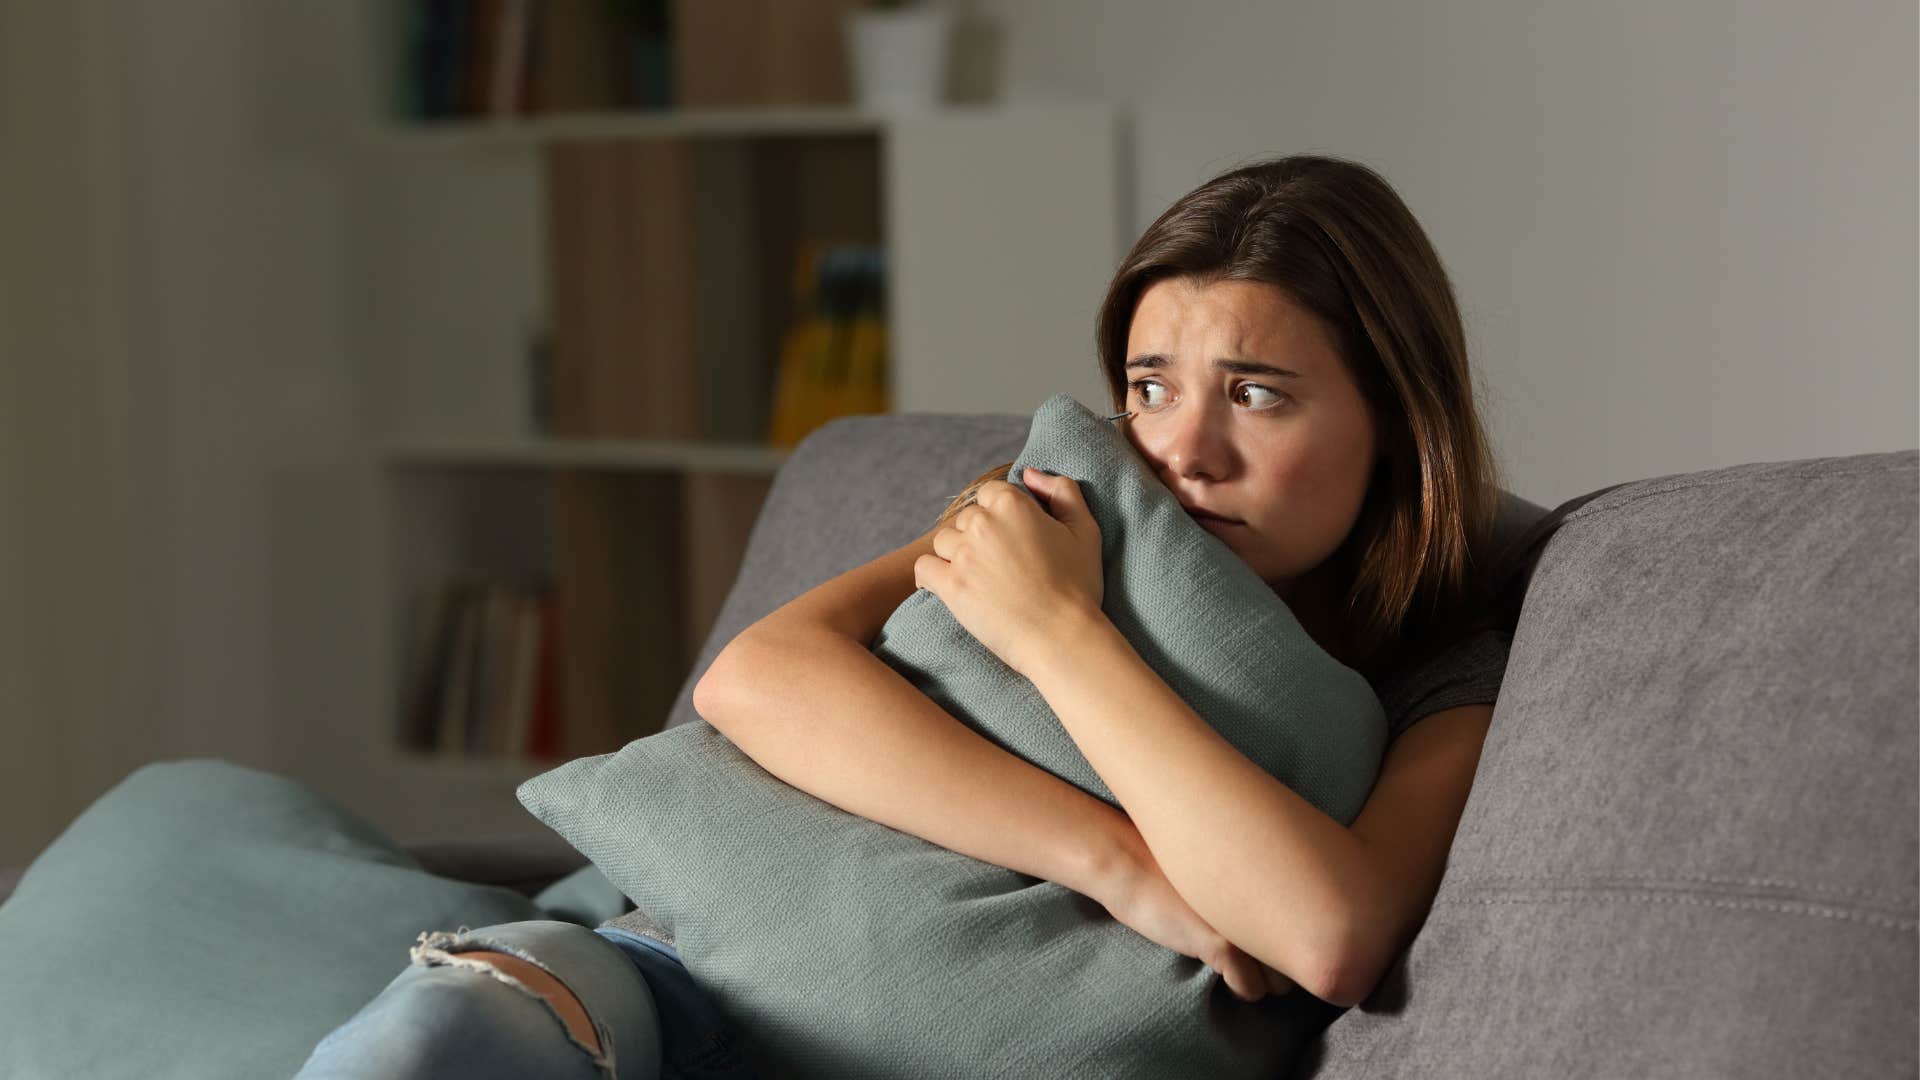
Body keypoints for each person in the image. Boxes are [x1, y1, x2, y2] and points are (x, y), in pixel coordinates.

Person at [294, 152, 1515, 1078]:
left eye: (1257, 393)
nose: (1184, 451)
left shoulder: (1449, 668)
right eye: (1149, 388)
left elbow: (1327, 933)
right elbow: (756, 681)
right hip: (663, 978)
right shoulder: (1062, 513)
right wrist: (1122, 864)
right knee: (442, 1035)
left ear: (1394, 420)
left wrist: (1060, 636)